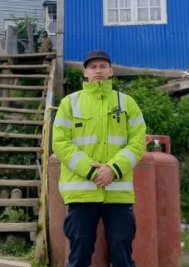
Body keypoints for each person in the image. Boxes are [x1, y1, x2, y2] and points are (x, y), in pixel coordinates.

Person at [52, 49, 147, 267]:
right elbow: (60, 143)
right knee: (79, 257)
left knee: (122, 256)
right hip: (81, 193)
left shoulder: (127, 104)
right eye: (93, 67)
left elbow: (138, 141)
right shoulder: (69, 103)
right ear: (85, 72)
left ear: (111, 71)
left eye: (103, 66)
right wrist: (92, 171)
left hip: (118, 195)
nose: (98, 71)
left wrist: (113, 169)